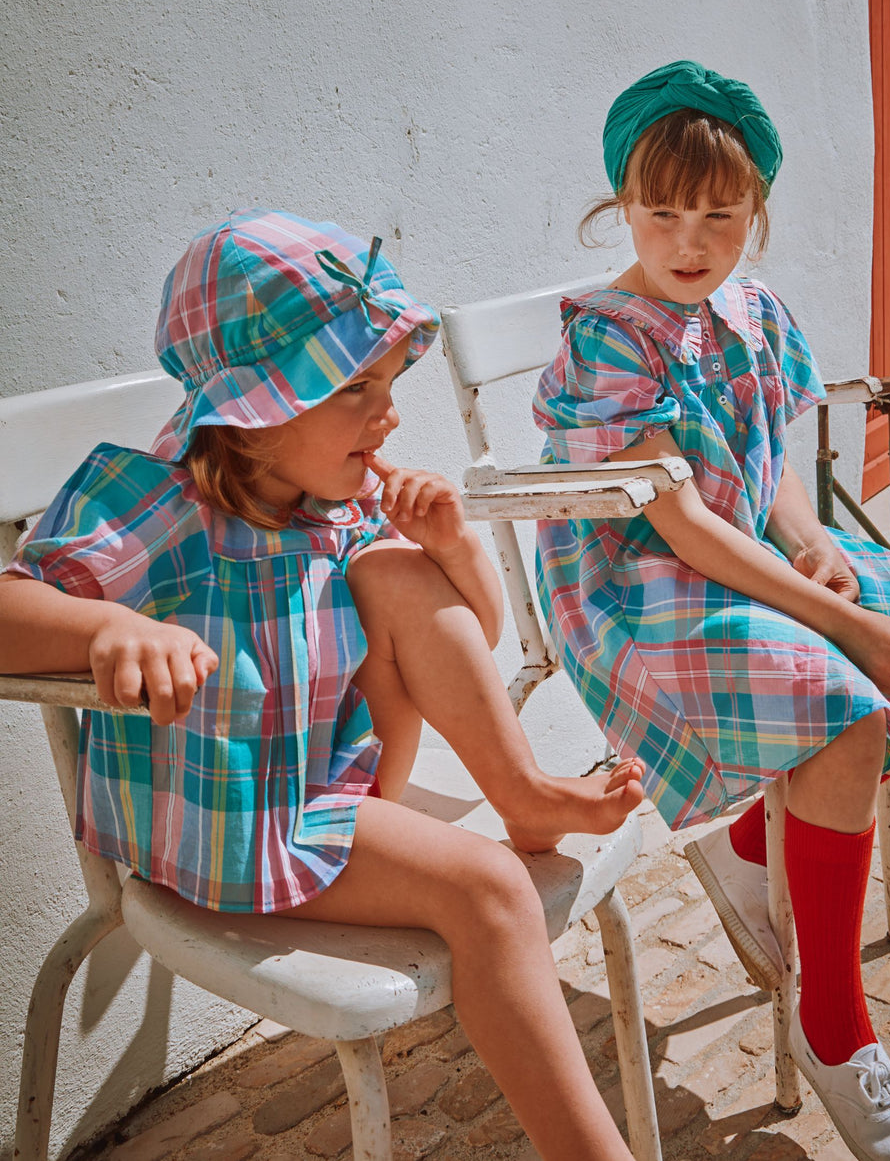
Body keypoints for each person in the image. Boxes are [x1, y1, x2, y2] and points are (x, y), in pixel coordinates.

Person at [0, 208, 645, 1161]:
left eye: (388, 383)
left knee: (395, 572)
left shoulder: (325, 505)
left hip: (335, 784)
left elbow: (478, 637)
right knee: (493, 895)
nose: (387, 414)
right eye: (355, 387)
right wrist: (111, 625)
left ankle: (523, 794)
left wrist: (454, 548)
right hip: (236, 824)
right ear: (254, 412)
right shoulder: (151, 507)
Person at [532, 63, 890, 1161]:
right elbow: (681, 521)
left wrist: (813, 538)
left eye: (720, 215)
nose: (688, 240)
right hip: (639, 588)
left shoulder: (747, 307)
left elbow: (762, 456)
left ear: (756, 214)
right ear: (621, 205)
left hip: (741, 557)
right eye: (660, 212)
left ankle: (752, 840)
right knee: (844, 699)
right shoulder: (610, 336)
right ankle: (837, 1035)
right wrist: (834, 621)